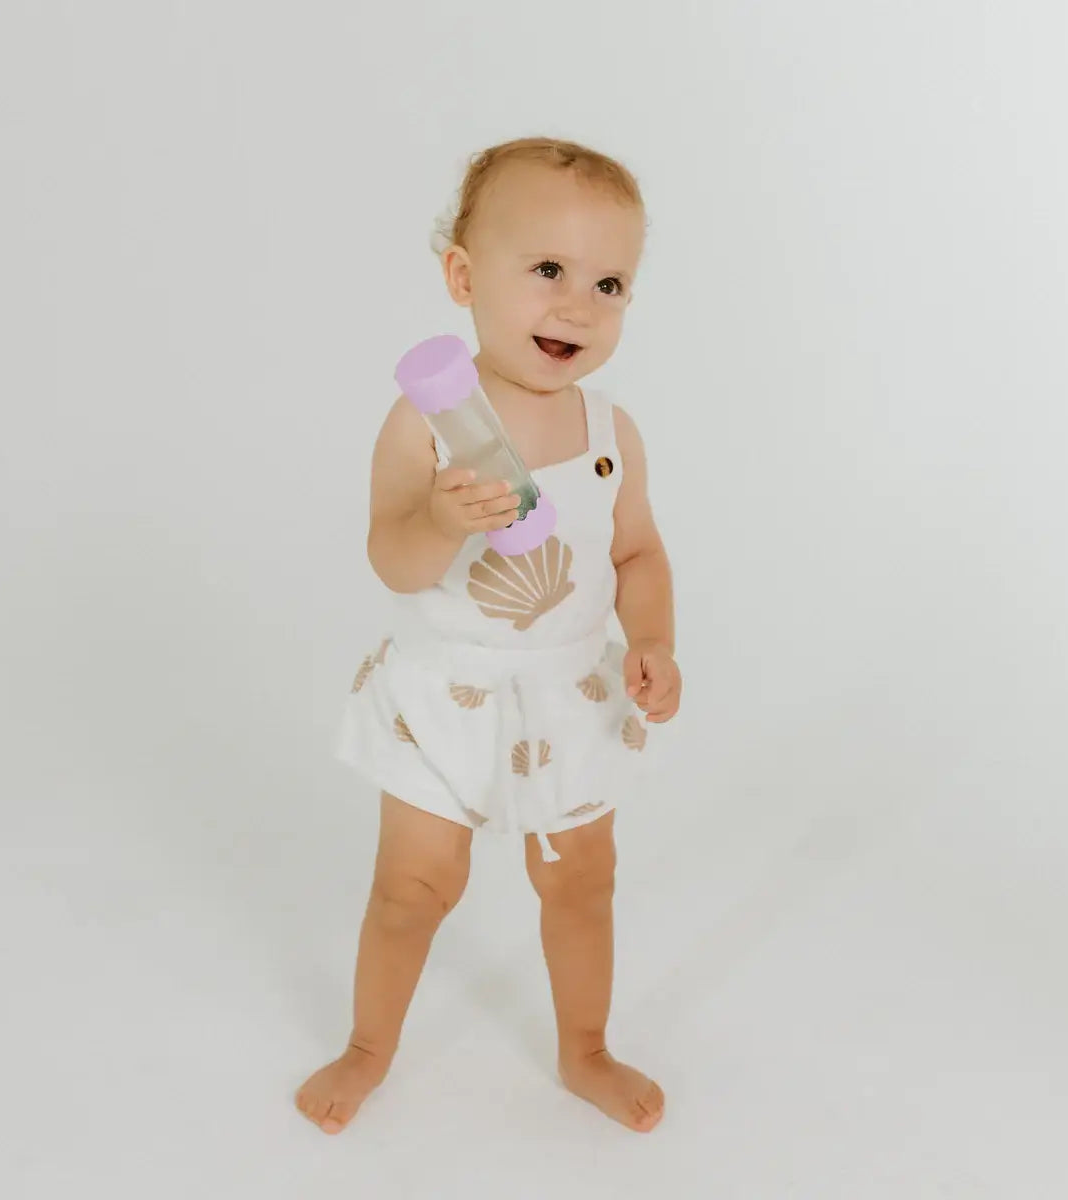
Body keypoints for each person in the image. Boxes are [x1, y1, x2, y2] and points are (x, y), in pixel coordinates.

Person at [296, 137, 681, 1135]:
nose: (579, 306)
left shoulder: (610, 433)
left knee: (582, 883)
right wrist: (438, 518)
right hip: (447, 695)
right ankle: (368, 1046)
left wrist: (653, 641)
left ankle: (585, 1048)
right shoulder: (425, 423)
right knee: (414, 888)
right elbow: (392, 558)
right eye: (548, 269)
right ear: (464, 278)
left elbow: (637, 553)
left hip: (569, 692)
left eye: (609, 284)